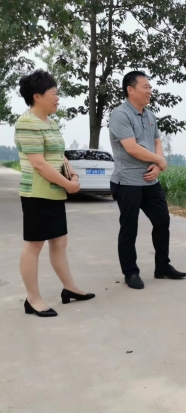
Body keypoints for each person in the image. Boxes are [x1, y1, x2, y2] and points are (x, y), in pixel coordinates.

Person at [14, 69, 95, 317]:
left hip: (54, 191)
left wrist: (73, 175)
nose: (58, 98)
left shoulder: (51, 121)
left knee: (59, 242)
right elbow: (39, 164)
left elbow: (59, 156)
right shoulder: (27, 123)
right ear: (37, 96)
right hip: (36, 193)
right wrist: (68, 185)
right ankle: (33, 299)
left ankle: (70, 288)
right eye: (54, 93)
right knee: (34, 245)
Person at [109, 71, 186, 289]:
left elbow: (157, 141)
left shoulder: (150, 115)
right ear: (130, 90)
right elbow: (131, 148)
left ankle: (162, 266)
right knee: (129, 228)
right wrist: (160, 160)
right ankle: (130, 272)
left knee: (162, 221)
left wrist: (158, 165)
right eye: (145, 87)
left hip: (150, 181)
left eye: (150, 87)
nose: (150, 91)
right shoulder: (120, 115)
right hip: (128, 182)